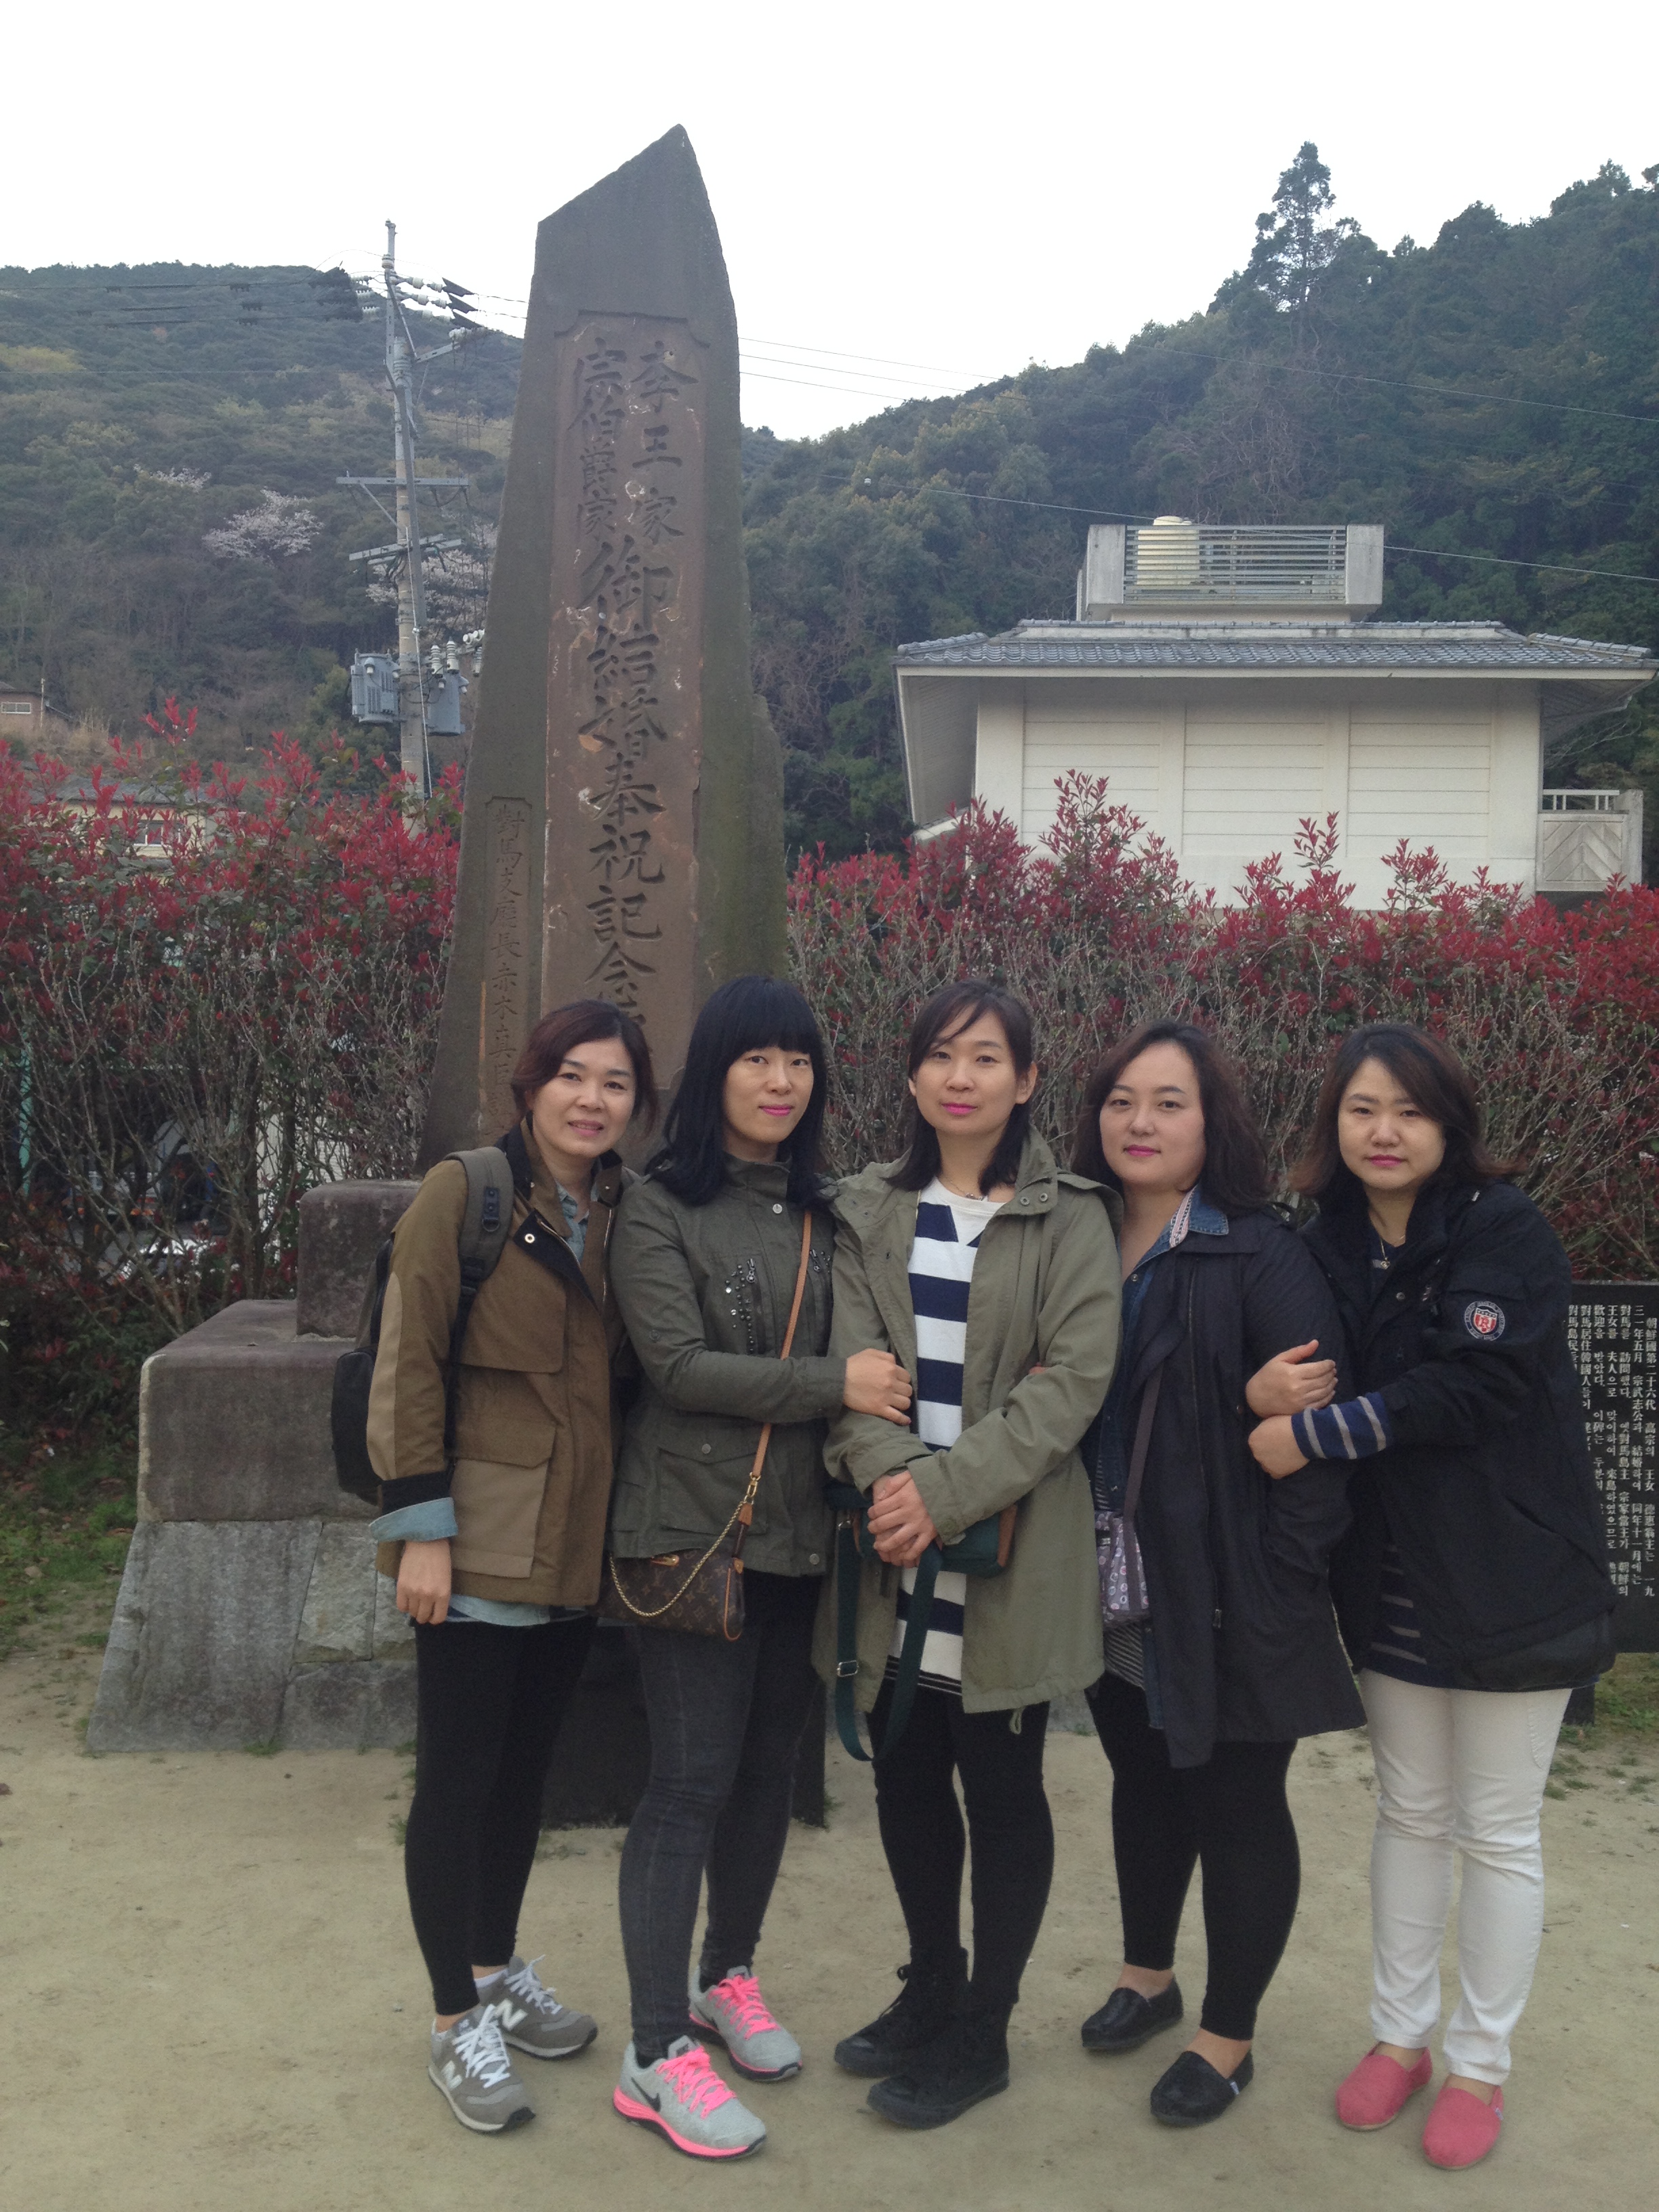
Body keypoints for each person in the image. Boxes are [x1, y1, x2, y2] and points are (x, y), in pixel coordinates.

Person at [1248, 1022, 1616, 2171]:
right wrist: (1263, 1390)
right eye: (1362, 1109)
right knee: (1408, 1814)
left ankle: (1480, 2065)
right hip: (1393, 1580)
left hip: (1513, 1579)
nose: (1385, 1131)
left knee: (1496, 1832)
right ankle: (1399, 2037)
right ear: (1335, 1125)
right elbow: (1283, 1360)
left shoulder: (1504, 1229)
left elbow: (1477, 1385)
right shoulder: (1325, 1239)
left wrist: (1313, 1432)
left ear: (1449, 1124)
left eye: (1409, 1110)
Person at [606, 974, 913, 2163]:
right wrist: (835, 1384)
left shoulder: (831, 1211)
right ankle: (652, 2049)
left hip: (802, 1535)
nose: (781, 1082)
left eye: (799, 1061)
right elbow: (678, 1367)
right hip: (690, 1531)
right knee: (688, 1781)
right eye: (756, 1059)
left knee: (767, 1773)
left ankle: (725, 1977)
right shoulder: (658, 1207)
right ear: (715, 1074)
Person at [822, 979, 1121, 2131]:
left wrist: (938, 1497)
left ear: (1028, 1079)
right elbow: (852, 1371)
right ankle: (932, 1985)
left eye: (988, 1057)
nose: (962, 1076)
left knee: (999, 1788)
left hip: (1007, 1555)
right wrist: (895, 1486)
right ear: (911, 1076)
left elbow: (1071, 1386)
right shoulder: (867, 1210)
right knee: (904, 1775)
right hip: (895, 1550)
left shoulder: (1069, 1218)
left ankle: (985, 2025)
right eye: (942, 1055)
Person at [367, 999, 657, 2135]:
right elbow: (408, 1360)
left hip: (572, 1545)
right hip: (475, 1543)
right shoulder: (469, 1194)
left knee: (526, 1777)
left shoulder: (625, 1210)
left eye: (616, 1083)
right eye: (572, 1075)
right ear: (531, 1085)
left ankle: (492, 1972)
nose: (592, 1099)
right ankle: (453, 2021)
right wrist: (421, 1529)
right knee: (457, 1782)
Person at [1070, 1020, 1363, 2128]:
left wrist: (1282, 1578)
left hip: (1235, 1585)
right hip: (1108, 1575)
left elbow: (1319, 1436)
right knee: (1142, 1777)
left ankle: (1227, 2036)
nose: (1140, 1122)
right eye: (1121, 1101)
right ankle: (1148, 1977)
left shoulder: (1258, 1250)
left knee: (1237, 1804)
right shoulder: (1078, 1236)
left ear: (1212, 1122)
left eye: (1169, 1103)